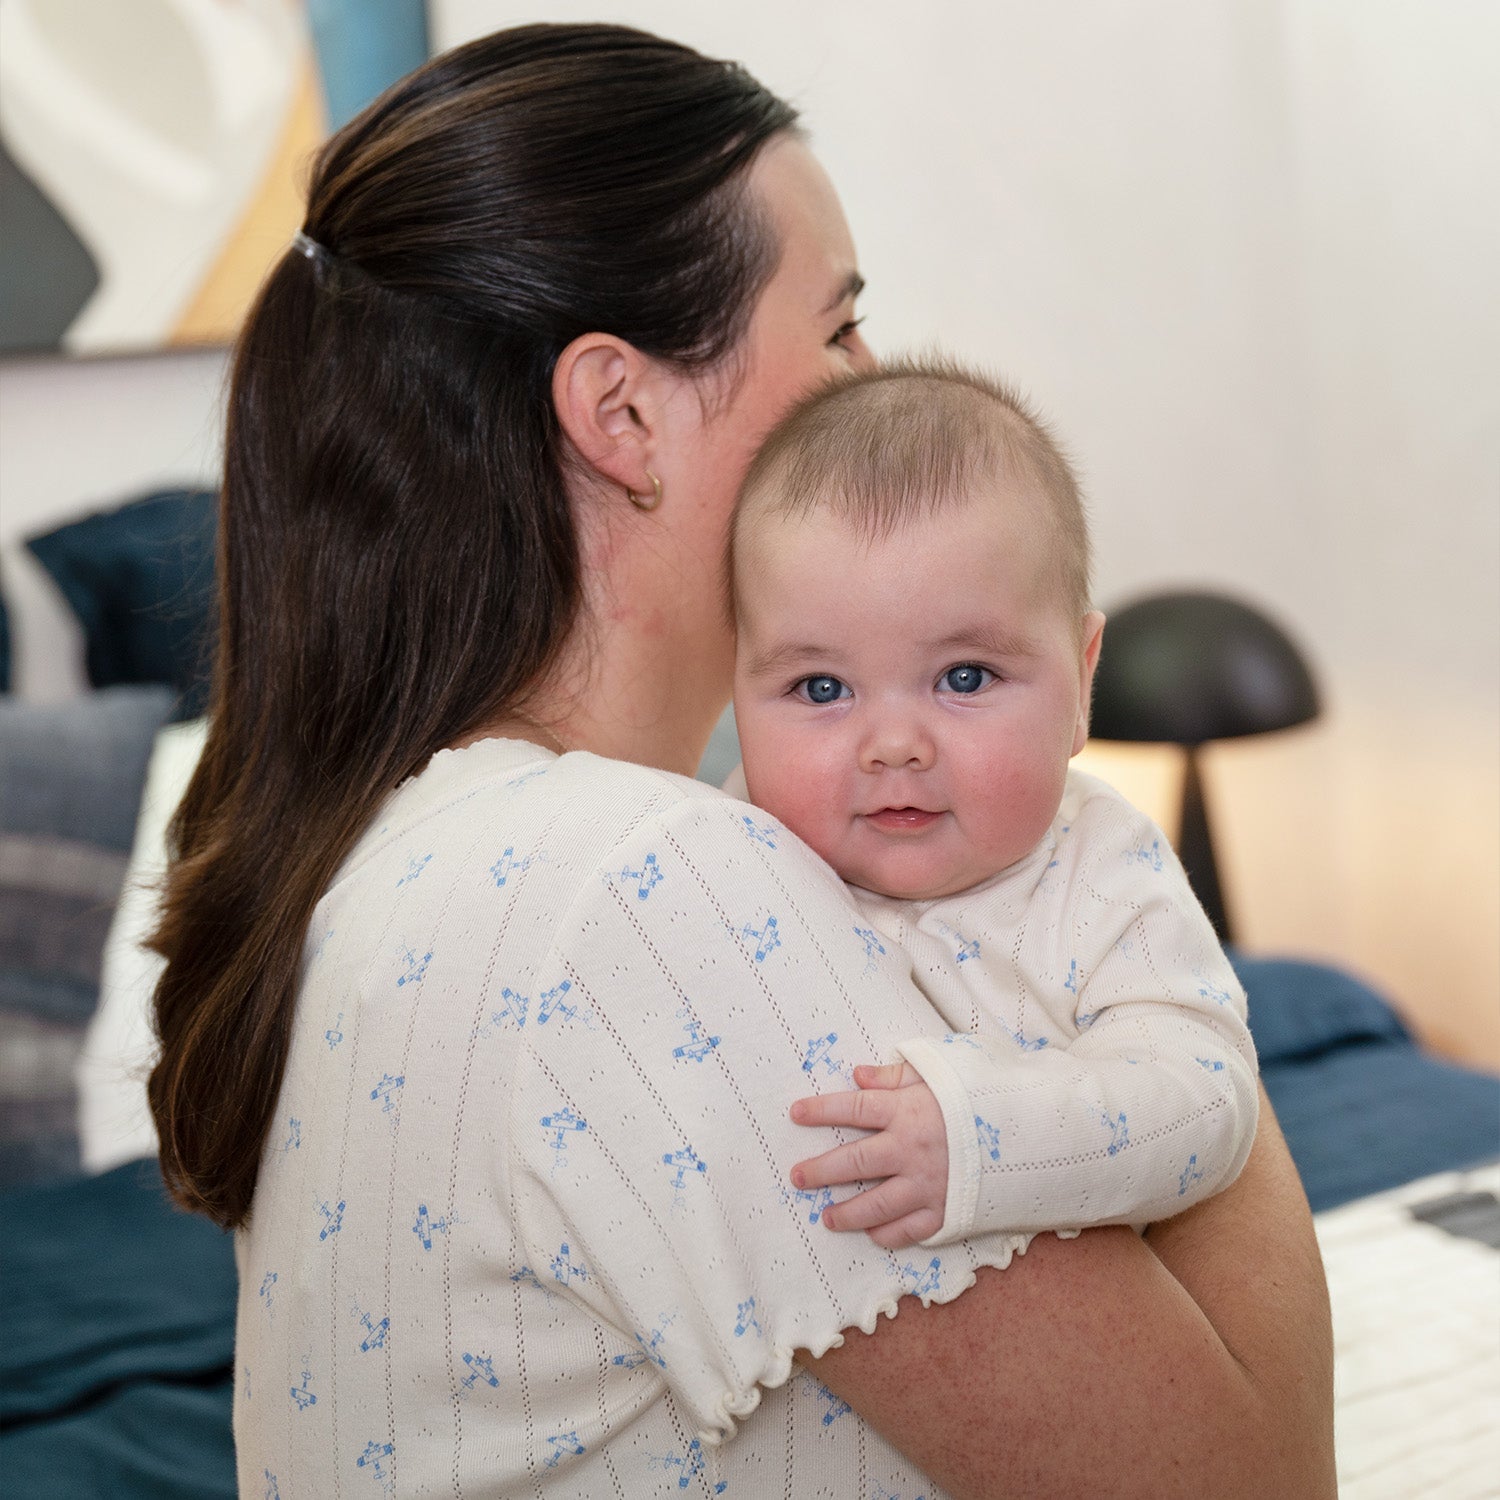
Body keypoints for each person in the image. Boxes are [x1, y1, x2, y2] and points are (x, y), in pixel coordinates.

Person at [145, 22, 1335, 1499]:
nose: (874, 379)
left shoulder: (397, 849)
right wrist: (1122, 923)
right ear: (623, 413)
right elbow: (1254, 1477)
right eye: (837, 328)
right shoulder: (651, 893)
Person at [729, 358, 1259, 1250]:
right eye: (820, 687)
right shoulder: (728, 854)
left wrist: (987, 1139)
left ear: (1082, 682)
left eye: (964, 677)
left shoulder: (1101, 873)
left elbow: (1208, 1096)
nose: (892, 744)